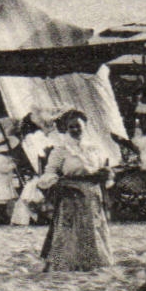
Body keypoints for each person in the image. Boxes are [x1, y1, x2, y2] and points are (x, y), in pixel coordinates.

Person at [37, 109, 114, 272]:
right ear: (66, 128)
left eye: (78, 126)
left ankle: (93, 262)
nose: (75, 130)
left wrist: (105, 174)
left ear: (85, 126)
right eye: (71, 127)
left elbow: (104, 169)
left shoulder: (95, 149)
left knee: (93, 228)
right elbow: (49, 172)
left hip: (92, 193)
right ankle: (67, 263)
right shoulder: (61, 150)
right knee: (70, 230)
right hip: (71, 194)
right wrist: (59, 184)